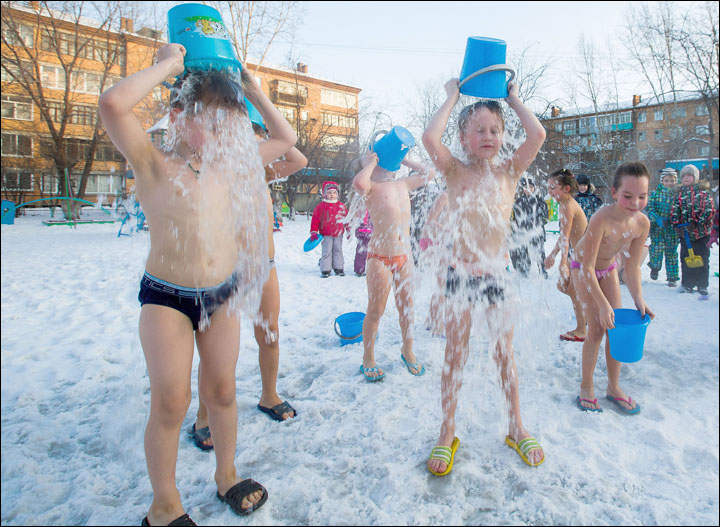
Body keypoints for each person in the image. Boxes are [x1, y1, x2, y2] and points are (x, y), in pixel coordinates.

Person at [99, 42, 298, 524]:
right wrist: (170, 63)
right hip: (167, 298)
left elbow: (286, 137)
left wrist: (249, 87)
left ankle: (226, 474)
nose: (218, 131)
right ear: (177, 114)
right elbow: (112, 104)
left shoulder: (231, 163)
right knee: (172, 400)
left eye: (226, 122)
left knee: (223, 391)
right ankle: (164, 504)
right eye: (206, 118)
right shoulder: (152, 161)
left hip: (222, 296)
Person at [422, 79, 546, 475]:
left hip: (497, 274)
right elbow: (429, 137)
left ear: (504, 136)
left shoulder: (511, 171)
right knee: (454, 353)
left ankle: (516, 425)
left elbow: (538, 133)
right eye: (479, 130)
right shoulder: (455, 172)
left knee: (503, 352)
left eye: (495, 130)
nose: (488, 136)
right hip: (461, 274)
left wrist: (512, 98)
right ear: (463, 137)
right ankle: (447, 430)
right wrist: (453, 97)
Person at [189, 126, 307, 450]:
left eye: (262, 144)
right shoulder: (218, 175)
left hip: (265, 269)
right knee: (217, 353)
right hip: (225, 274)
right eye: (250, 143)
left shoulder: (264, 174)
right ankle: (203, 415)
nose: (258, 150)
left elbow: (298, 157)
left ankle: (269, 395)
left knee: (269, 335)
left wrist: (267, 136)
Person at [571, 162, 655, 414]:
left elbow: (631, 266)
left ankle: (613, 387)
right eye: (628, 196)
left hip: (607, 270)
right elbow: (587, 269)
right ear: (614, 192)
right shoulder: (602, 218)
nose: (635, 203)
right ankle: (586, 386)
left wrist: (638, 299)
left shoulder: (642, 224)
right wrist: (602, 304)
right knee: (596, 328)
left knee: (615, 328)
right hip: (582, 269)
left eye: (642, 196)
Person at [352, 148, 435, 381]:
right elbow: (358, 183)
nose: (381, 161)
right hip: (380, 258)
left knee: (407, 308)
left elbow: (430, 173)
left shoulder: (402, 184)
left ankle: (407, 350)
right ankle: (368, 357)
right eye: (372, 160)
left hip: (404, 256)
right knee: (376, 310)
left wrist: (403, 158)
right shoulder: (371, 188)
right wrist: (369, 162)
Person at [544, 169, 589, 342]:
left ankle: (581, 329)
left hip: (585, 255)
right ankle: (587, 317)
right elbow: (564, 236)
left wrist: (562, 261)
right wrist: (553, 255)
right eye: (548, 188)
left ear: (566, 189)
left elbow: (565, 236)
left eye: (553, 187)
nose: (550, 191)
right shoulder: (565, 205)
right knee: (563, 286)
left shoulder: (568, 207)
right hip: (579, 254)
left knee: (572, 289)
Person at [670, 165, 716, 298]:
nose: (686, 178)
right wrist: (676, 224)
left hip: (702, 233)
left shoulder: (703, 193)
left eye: (689, 176)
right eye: (683, 176)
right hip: (686, 235)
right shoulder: (678, 195)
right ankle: (687, 284)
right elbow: (674, 211)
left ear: (695, 178)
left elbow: (709, 210)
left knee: (702, 258)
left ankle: (702, 285)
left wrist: (697, 222)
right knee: (685, 259)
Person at [419, 191, 450, 338]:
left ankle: (430, 319)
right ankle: (436, 323)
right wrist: (449, 230)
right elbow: (430, 220)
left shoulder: (461, 197)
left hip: (446, 243)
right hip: (435, 243)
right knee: (442, 284)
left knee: (443, 284)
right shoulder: (445, 196)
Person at [645, 168, 679, 286]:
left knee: (671, 252)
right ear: (662, 181)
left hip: (672, 229)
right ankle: (655, 267)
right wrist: (656, 218)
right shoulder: (655, 194)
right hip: (658, 228)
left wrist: (676, 220)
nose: (669, 183)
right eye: (667, 180)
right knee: (656, 250)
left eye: (672, 180)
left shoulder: (678, 195)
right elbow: (649, 208)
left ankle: (672, 277)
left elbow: (680, 209)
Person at [509, 176, 549, 278]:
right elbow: (514, 218)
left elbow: (545, 217)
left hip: (536, 231)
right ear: (523, 189)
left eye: (531, 187)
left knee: (539, 251)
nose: (528, 189)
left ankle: (543, 269)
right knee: (523, 251)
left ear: (534, 188)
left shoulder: (539, 201)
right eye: (526, 187)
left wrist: (537, 224)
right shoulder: (518, 202)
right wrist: (516, 228)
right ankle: (524, 269)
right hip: (522, 232)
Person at [310, 181, 348, 277]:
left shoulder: (341, 206)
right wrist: (314, 231)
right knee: (327, 251)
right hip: (326, 233)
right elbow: (315, 220)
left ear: (337, 194)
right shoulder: (321, 207)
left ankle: (338, 268)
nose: (332, 195)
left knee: (338, 250)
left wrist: (349, 229)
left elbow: (346, 218)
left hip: (338, 233)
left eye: (334, 193)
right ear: (325, 194)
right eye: (329, 192)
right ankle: (326, 269)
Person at [354, 208, 373, 276]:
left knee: (362, 252)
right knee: (362, 252)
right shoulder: (363, 207)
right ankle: (360, 269)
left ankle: (360, 269)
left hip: (365, 232)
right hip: (366, 232)